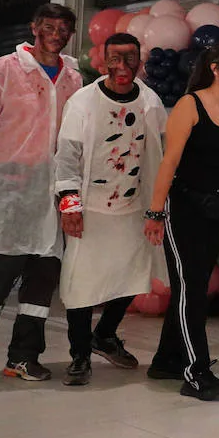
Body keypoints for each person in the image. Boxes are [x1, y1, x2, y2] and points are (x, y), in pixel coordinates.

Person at [0, 3, 84, 382]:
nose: (56, 34)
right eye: (49, 26)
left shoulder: (74, 78)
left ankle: (23, 356)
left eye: (63, 28)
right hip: (9, 194)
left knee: (42, 282)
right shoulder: (4, 71)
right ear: (34, 28)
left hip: (53, 194)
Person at [144, 42, 219, 401]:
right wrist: (155, 213)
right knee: (191, 289)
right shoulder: (189, 105)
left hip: (217, 208)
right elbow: (169, 163)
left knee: (193, 287)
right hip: (183, 209)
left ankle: (166, 360)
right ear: (215, 68)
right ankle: (196, 371)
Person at [54, 31, 167, 386]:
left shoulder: (150, 102)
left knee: (132, 276)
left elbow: (160, 156)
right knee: (81, 286)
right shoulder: (83, 102)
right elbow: (68, 155)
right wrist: (70, 204)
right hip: (91, 210)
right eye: (115, 59)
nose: (122, 67)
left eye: (130, 58)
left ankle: (105, 334)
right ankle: (79, 356)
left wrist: (155, 209)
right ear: (102, 62)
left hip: (132, 210)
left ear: (140, 62)